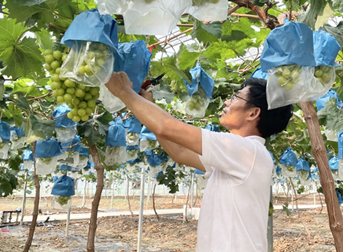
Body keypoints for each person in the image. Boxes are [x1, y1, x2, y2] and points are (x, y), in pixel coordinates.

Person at [106, 74, 293, 252]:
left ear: (253, 113)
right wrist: (147, 103)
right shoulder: (241, 156)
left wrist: (124, 91)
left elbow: (167, 126)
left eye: (235, 98)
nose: (227, 102)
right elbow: (179, 152)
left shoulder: (246, 150)